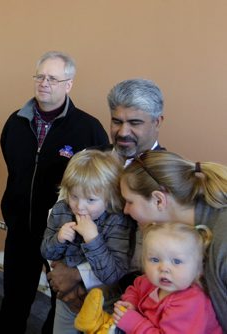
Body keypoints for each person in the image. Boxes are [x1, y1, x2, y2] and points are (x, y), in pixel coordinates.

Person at [0, 51, 109, 334]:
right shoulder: (15, 122)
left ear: (68, 84)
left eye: (53, 78)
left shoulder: (89, 129)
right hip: (21, 231)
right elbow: (14, 167)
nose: (44, 83)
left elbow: (101, 183)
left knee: (62, 305)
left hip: (64, 239)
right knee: (14, 301)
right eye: (40, 76)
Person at [47, 78, 165, 313]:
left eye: (135, 122)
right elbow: (59, 211)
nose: (123, 132)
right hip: (65, 296)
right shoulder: (89, 157)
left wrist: (79, 277)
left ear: (157, 121)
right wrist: (59, 271)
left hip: (123, 304)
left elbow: (149, 250)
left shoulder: (167, 176)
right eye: (116, 121)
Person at [118, 150, 227, 331]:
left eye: (130, 201)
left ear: (159, 200)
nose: (126, 210)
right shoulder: (181, 235)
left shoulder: (222, 240)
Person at [41, 150, 133, 333]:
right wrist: (58, 239)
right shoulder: (62, 209)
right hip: (66, 301)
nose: (79, 206)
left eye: (91, 199)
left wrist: (92, 239)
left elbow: (112, 274)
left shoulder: (117, 220)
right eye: (74, 196)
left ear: (109, 197)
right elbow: (46, 252)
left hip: (104, 302)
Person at [75, 222, 222, 334]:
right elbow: (134, 290)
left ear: (198, 269)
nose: (163, 268)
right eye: (155, 260)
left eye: (176, 261)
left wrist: (135, 324)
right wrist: (130, 303)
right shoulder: (149, 281)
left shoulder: (191, 303)